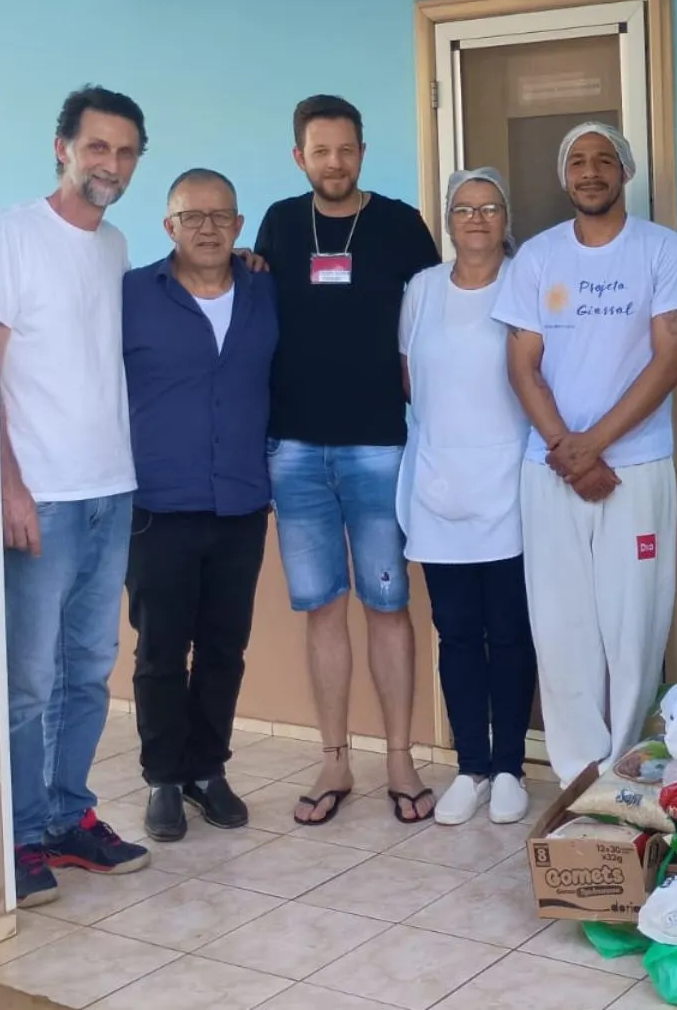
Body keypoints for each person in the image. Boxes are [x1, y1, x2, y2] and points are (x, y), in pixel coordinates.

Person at [492, 122, 677, 787]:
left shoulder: (663, 253)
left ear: (626, 172)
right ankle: (581, 780)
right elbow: (522, 364)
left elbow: (669, 362)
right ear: (564, 176)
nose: (590, 171)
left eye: (603, 160)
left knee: (634, 623)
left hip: (634, 469)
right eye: (577, 161)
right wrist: (568, 448)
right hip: (551, 471)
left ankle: (628, 773)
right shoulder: (536, 258)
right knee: (560, 630)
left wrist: (595, 445)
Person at [249, 96, 443, 824]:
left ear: (363, 151)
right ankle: (333, 760)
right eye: (320, 151)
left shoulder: (398, 226)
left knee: (389, 607)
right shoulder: (277, 221)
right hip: (293, 452)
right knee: (321, 610)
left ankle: (400, 759)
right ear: (299, 156)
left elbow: (436, 322)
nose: (334, 163)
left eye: (346, 150)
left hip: (378, 449)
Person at [0, 84, 152, 907]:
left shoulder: (116, 244)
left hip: (110, 490)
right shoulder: (12, 237)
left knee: (88, 669)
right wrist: (8, 484)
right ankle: (19, 835)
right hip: (43, 496)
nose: (111, 165)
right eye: (98, 147)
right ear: (63, 146)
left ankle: (67, 817)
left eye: (126, 152)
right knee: (26, 679)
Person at [123, 169, 277, 843]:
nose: (208, 228)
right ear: (169, 227)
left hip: (241, 501)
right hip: (158, 504)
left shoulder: (264, 291)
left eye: (221, 216)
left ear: (239, 227)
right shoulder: (130, 294)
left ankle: (207, 769)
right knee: (160, 650)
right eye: (193, 217)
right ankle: (162, 775)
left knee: (224, 647)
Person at [398, 168, 538, 826]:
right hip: (438, 484)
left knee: (510, 632)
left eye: (489, 207)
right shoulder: (421, 290)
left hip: (510, 481)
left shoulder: (526, 280)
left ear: (506, 219)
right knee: (455, 633)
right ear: (447, 222)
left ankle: (510, 766)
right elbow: (411, 380)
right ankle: (470, 768)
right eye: (463, 209)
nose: (476, 218)